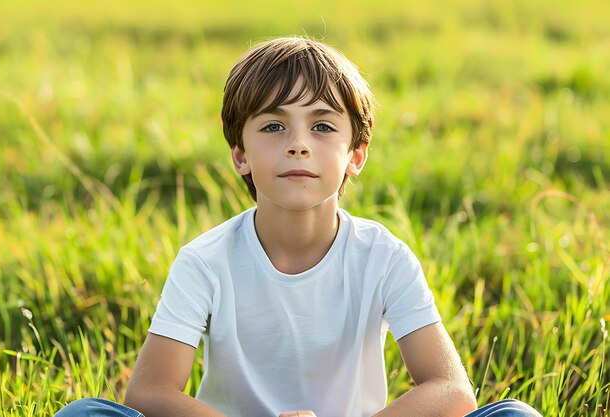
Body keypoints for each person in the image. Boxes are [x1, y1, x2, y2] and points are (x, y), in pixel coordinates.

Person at [54, 36, 542, 417]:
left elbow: (451, 389)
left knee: (514, 416)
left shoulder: (383, 256)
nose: (298, 144)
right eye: (273, 126)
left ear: (356, 155)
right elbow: (150, 391)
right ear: (240, 155)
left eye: (323, 126)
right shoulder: (206, 261)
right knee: (86, 415)